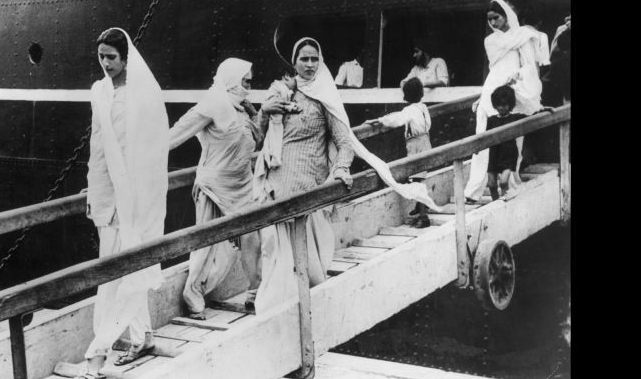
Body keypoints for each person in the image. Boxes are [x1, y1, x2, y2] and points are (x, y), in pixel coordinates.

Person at [252, 37, 441, 314]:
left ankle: (307, 310)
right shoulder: (279, 93)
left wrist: (341, 168)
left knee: (309, 261)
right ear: (293, 62)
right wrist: (263, 112)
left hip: (308, 187)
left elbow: (344, 143)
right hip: (277, 185)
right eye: (303, 58)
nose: (309, 64)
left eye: (314, 59)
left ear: (321, 62)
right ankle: (274, 311)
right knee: (274, 252)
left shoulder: (325, 98)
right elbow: (258, 139)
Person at [73, 27, 169, 379]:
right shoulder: (99, 91)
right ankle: (142, 337)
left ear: (126, 58)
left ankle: (95, 357)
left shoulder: (143, 95)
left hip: (136, 197)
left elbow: (153, 149)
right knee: (118, 267)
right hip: (105, 194)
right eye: (101, 57)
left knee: (114, 275)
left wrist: (137, 196)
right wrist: (93, 192)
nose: (105, 63)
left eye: (111, 57)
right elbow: (98, 146)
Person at [168, 57, 263, 319]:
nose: (249, 85)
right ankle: (193, 293)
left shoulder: (243, 108)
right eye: (245, 79)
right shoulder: (215, 103)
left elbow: (257, 140)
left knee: (251, 238)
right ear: (231, 77)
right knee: (207, 242)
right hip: (214, 186)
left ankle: (255, 292)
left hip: (242, 184)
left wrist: (258, 114)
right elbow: (176, 134)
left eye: (251, 80)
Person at [462, 0, 547, 204]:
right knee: (483, 137)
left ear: (506, 15)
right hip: (493, 88)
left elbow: (529, 65)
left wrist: (518, 76)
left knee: (513, 137)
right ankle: (473, 191)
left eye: (496, 18)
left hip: (512, 90)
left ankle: (509, 182)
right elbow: (495, 67)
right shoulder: (491, 41)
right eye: (490, 19)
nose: (493, 23)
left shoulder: (522, 36)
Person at [363, 78, 433, 228]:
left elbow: (395, 120)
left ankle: (423, 216)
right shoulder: (423, 107)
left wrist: (378, 120)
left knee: (416, 180)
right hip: (425, 141)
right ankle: (420, 206)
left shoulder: (409, 111)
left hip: (416, 145)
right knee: (419, 177)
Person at [486, 85, 526, 200]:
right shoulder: (492, 120)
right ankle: (495, 204)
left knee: (503, 182)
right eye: (499, 105)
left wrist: (544, 109)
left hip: (508, 154)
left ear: (510, 104)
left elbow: (532, 117)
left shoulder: (515, 118)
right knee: (492, 184)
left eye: (504, 105)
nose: (501, 108)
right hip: (494, 154)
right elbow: (485, 138)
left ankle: (504, 203)